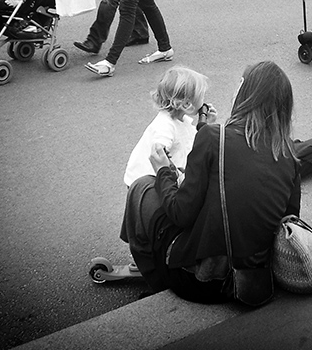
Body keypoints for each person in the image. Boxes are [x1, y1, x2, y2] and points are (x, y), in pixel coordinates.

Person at [120, 61, 301, 300]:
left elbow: (180, 213)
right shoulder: (288, 153)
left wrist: (164, 170)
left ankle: (157, 278)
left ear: (244, 93)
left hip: (203, 281)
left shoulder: (214, 138)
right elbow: (289, 219)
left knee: (141, 187)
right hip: (253, 281)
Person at [124, 66, 217, 187]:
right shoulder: (165, 124)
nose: (203, 100)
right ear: (187, 105)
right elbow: (159, 148)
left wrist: (207, 124)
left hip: (159, 179)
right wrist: (163, 151)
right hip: (146, 184)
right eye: (201, 96)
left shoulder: (182, 121)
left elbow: (195, 141)